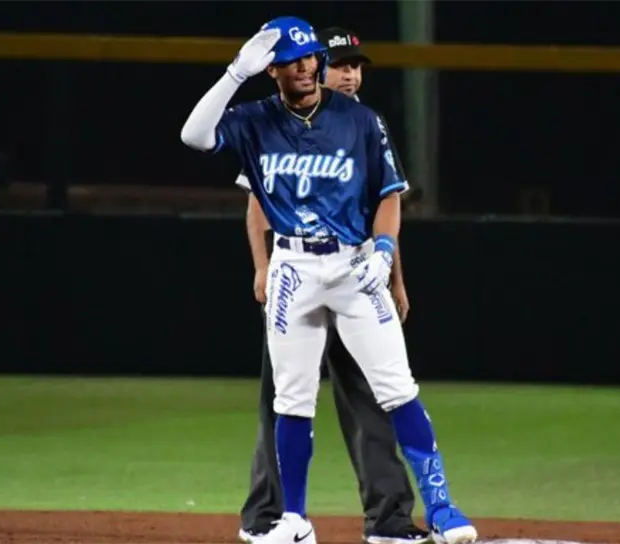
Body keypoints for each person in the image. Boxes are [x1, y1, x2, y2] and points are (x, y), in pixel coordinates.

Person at [180, 16, 477, 544]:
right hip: (293, 266)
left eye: (312, 56)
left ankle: (442, 508)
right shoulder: (254, 119)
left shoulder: (360, 121)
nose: (307, 65)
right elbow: (194, 136)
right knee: (290, 399)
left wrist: (386, 257)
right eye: (294, 58)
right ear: (271, 68)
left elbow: (388, 195)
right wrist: (233, 74)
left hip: (353, 265)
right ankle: (293, 520)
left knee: (396, 388)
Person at [234, 26, 426, 544]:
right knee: (284, 400)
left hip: (358, 277)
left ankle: (388, 520)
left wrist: (395, 279)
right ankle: (269, 517)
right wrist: (261, 267)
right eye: (340, 63)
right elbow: (258, 204)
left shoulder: (364, 126)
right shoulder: (278, 122)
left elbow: (384, 210)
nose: (349, 73)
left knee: (372, 401)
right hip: (298, 276)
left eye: (356, 66)